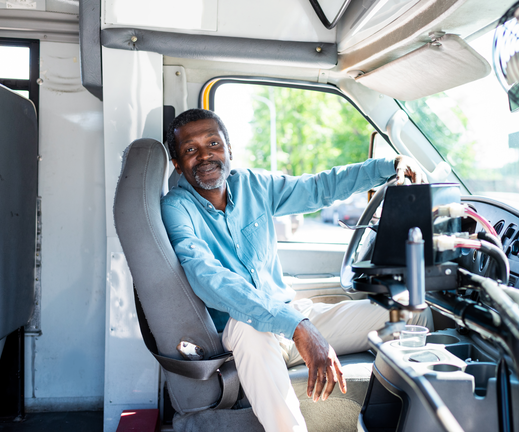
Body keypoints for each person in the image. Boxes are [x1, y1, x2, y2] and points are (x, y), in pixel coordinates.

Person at [161, 108, 432, 432]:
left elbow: (319, 187)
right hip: (242, 329)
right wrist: (298, 326)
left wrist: (389, 166)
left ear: (229, 150)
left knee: (412, 313)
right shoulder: (177, 208)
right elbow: (207, 276)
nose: (205, 156)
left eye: (214, 143)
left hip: (291, 313)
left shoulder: (252, 185)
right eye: (190, 150)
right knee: (250, 330)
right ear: (177, 163)